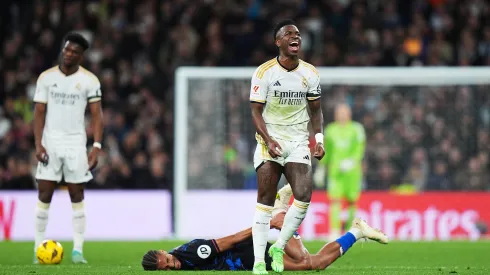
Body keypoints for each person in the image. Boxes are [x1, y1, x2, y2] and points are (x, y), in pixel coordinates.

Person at [141, 185, 388, 271]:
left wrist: (265, 225)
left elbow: (231, 239)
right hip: (248, 258)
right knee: (312, 263)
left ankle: (281, 211)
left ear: (165, 252)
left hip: (249, 255)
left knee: (308, 263)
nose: (174, 266)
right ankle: (356, 232)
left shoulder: (192, 253)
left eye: (169, 262)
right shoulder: (179, 261)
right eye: (168, 269)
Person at [249, 19, 325, 274]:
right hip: (269, 142)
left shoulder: (310, 74)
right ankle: (259, 260)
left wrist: (319, 140)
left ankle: (278, 247)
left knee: (303, 194)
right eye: (289, 34)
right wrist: (269, 140)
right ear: (278, 42)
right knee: (265, 200)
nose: (296, 37)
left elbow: (316, 111)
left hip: (297, 142)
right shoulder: (264, 73)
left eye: (298, 34)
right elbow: (256, 112)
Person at [32, 32, 103, 264]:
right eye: (67, 49)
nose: (69, 54)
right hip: (51, 142)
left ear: (81, 56)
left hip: (75, 143)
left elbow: (96, 115)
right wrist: (38, 143)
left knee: (76, 193)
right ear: (63, 49)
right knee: (44, 192)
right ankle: (37, 249)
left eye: (74, 51)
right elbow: (39, 112)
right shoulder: (46, 78)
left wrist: (96, 146)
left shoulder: (90, 81)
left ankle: (78, 251)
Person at [314, 104, 366, 240]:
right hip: (335, 172)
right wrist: (321, 168)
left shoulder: (357, 129)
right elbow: (327, 151)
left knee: (352, 202)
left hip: (353, 172)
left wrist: (352, 161)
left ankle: (351, 230)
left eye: (344, 112)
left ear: (349, 114)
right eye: (339, 113)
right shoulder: (331, 130)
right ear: (336, 115)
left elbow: (360, 148)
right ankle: (335, 231)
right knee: (335, 201)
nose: (342, 115)